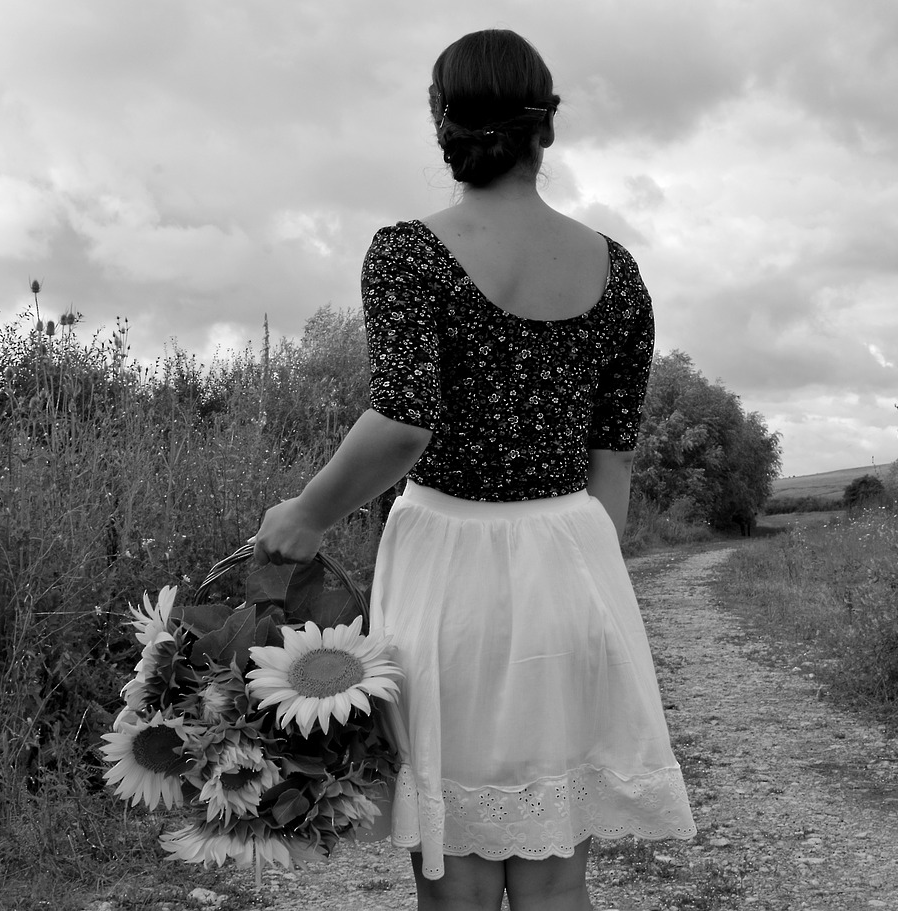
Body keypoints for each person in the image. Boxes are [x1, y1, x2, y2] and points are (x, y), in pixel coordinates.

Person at [251, 28, 696, 911]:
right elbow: (614, 455)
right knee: (556, 866)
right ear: (548, 129)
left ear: (441, 124)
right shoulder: (619, 269)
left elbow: (403, 422)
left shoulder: (408, 253)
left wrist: (305, 515)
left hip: (447, 563)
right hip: (571, 559)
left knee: (452, 867)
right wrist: (584, 579)